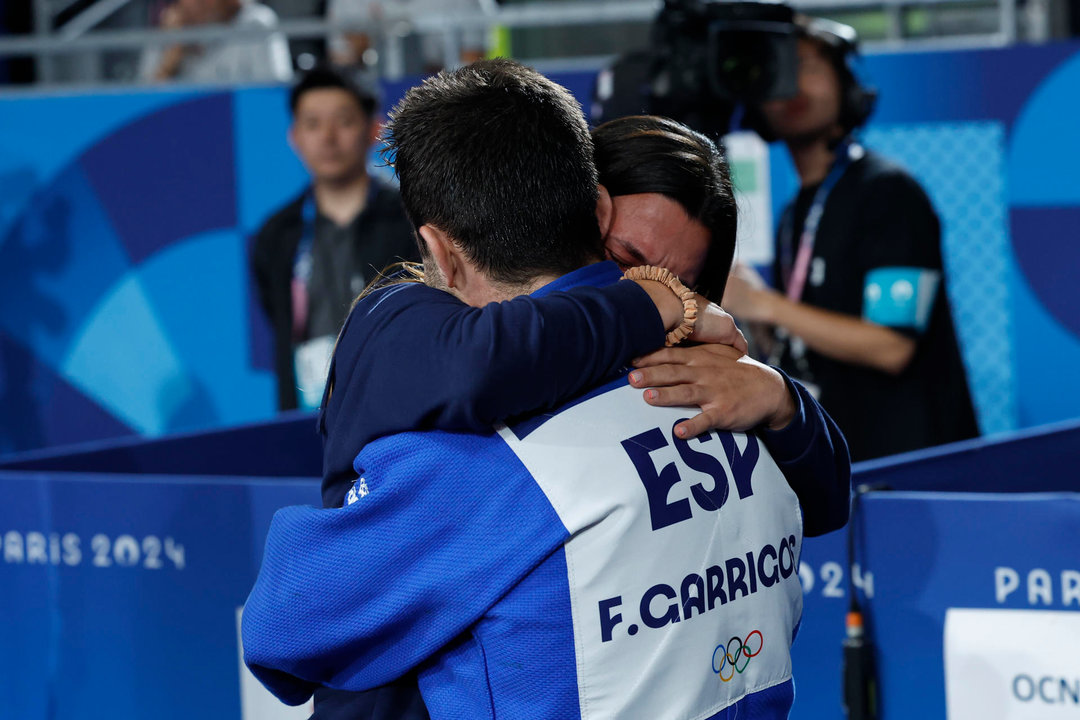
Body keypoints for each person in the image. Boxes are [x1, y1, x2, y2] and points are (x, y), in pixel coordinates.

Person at [243, 58, 807, 719]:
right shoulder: (740, 405)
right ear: (593, 205)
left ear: (439, 250)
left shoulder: (489, 465)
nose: (658, 284)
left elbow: (286, 626)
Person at [725, 16, 978, 461]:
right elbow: (807, 345)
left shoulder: (887, 190)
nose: (793, 85)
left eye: (809, 66)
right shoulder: (795, 212)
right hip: (846, 463)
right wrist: (758, 323)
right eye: (780, 70)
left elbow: (891, 345)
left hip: (912, 467)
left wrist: (766, 304)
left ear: (847, 85)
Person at [251, 66, 417, 410]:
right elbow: (278, 316)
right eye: (312, 124)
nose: (327, 137)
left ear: (374, 130)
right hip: (306, 415)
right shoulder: (277, 235)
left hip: (396, 408)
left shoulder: (412, 222)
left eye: (343, 121)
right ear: (295, 137)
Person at [139, 0, 293, 83]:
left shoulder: (258, 23)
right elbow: (141, 100)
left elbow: (274, 90)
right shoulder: (168, 30)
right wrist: (172, 56)